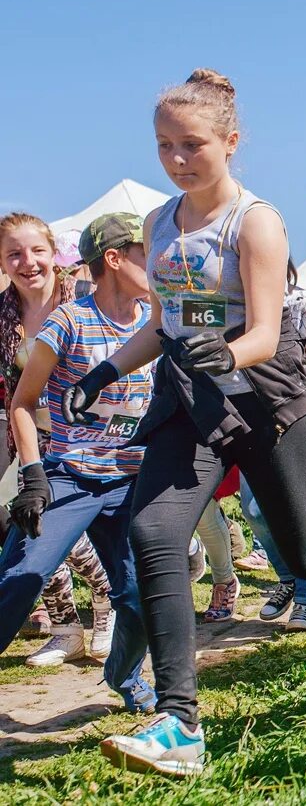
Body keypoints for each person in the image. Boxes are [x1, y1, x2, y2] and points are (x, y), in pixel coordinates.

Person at [72, 69, 306, 777]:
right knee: (154, 532)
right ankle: (179, 723)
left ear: (230, 140)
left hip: (265, 395)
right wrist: (104, 371)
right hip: (187, 399)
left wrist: (226, 349)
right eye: (164, 146)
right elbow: (162, 324)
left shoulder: (255, 219)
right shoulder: (160, 223)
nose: (177, 160)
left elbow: (264, 330)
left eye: (191, 145)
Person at [0, 212, 156, 713]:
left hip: (132, 482)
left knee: (136, 599)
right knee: (20, 582)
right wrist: (32, 476)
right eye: (144, 254)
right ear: (114, 259)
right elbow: (21, 403)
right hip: (70, 477)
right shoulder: (70, 322)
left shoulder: (159, 321)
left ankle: (127, 680)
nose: (155, 264)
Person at [0, 212, 115, 667]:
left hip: (90, 433)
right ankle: (66, 627)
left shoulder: (87, 300)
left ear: (54, 254)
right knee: (22, 520)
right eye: (14, 254)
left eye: (36, 251)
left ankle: (106, 602)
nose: (27, 262)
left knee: (56, 521)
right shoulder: (3, 317)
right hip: (30, 432)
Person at [245, 259, 306, 631]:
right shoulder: (235, 306)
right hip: (247, 421)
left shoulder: (304, 306)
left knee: (301, 514)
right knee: (254, 510)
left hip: (294, 417)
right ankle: (288, 578)